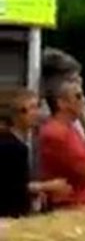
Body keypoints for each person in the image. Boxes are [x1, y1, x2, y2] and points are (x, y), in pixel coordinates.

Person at [0, 88, 71, 218]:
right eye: (32, 108)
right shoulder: (10, 146)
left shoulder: (30, 142)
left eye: (37, 107)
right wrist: (48, 186)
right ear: (18, 114)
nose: (37, 113)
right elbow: (14, 186)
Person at [38, 79, 85, 210]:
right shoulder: (57, 132)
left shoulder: (71, 129)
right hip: (70, 207)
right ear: (61, 103)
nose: (84, 101)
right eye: (78, 96)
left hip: (82, 204)